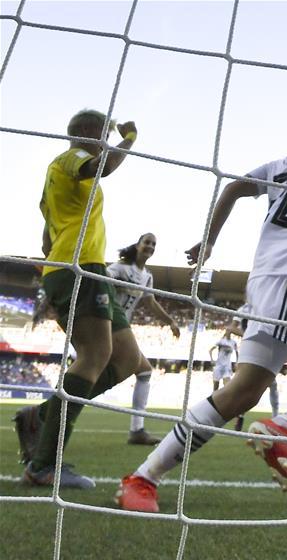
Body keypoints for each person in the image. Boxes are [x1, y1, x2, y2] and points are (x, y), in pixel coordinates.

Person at [116, 84, 287, 512]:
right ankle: (144, 478)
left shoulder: (280, 163)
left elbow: (233, 188)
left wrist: (209, 242)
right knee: (240, 393)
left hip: (276, 286)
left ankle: (281, 428)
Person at [20, 110, 142, 488]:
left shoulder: (59, 181)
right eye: (103, 133)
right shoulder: (69, 158)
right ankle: (43, 465)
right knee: (94, 357)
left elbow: (45, 241)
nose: (106, 138)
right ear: (89, 132)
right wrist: (129, 139)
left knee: (128, 360)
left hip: (83, 269)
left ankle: (41, 417)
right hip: (78, 268)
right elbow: (100, 167)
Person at [107, 232, 181, 445]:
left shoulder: (147, 276)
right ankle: (136, 430)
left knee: (142, 371)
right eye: (147, 242)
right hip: (109, 324)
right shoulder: (120, 268)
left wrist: (170, 322)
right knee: (142, 370)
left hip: (122, 328)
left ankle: (137, 430)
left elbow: (151, 302)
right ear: (138, 245)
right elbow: (103, 280)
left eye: (153, 244)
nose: (150, 246)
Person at [230, 304, 280, 432]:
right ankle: (238, 414)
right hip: (250, 349)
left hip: (265, 348)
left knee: (271, 383)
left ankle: (275, 417)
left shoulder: (265, 307)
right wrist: (250, 334)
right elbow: (232, 328)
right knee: (246, 386)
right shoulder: (243, 310)